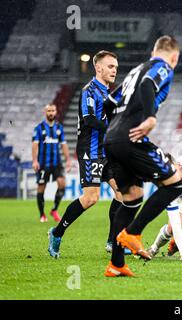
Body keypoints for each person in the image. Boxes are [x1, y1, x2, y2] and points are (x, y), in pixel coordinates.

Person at [102, 35, 182, 277]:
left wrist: (115, 128)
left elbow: (108, 102)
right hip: (131, 138)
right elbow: (149, 84)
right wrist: (150, 117)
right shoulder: (163, 67)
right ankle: (134, 232)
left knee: (131, 199)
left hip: (112, 138)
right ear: (174, 56)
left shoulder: (134, 71)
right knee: (175, 182)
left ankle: (116, 265)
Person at [47, 50, 123, 258]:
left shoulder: (109, 93)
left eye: (116, 67)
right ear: (98, 67)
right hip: (90, 150)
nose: (114, 70)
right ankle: (56, 232)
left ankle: (113, 241)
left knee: (123, 193)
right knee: (91, 198)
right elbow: (89, 120)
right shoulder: (89, 91)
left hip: (106, 151)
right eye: (110, 66)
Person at [32, 103, 71, 222]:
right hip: (43, 163)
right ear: (45, 112)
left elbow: (63, 145)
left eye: (53, 110)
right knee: (41, 188)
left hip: (56, 163)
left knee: (62, 184)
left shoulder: (59, 127)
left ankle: (54, 209)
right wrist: (35, 161)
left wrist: (68, 160)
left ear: (56, 112)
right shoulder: (39, 128)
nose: (51, 113)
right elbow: (35, 145)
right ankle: (42, 214)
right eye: (49, 111)